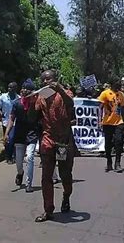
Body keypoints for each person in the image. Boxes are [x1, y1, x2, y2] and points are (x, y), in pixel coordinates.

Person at [31, 70, 76, 222]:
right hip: (47, 139)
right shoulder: (41, 96)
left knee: (65, 175)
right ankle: (48, 210)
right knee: (46, 176)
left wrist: (60, 90)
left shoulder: (65, 93)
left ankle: (66, 195)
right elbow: (32, 116)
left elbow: (70, 104)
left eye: (48, 79)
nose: (45, 82)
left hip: (63, 141)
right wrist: (28, 101)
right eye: (42, 79)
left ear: (55, 79)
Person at [4, 79, 39, 193]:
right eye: (23, 88)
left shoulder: (37, 104)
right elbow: (11, 118)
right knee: (19, 161)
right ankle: (20, 173)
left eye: (27, 88)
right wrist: (7, 133)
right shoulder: (16, 103)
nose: (24, 90)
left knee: (29, 158)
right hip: (19, 134)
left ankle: (29, 184)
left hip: (32, 134)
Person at [98, 78, 124, 173]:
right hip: (107, 122)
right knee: (108, 143)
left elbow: (123, 108)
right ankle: (109, 161)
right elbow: (100, 107)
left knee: (118, 141)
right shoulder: (105, 93)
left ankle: (117, 163)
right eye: (117, 84)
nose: (119, 86)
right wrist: (99, 120)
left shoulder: (121, 95)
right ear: (112, 85)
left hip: (118, 122)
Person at [0, 82, 20, 164]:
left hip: (15, 122)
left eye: (11, 87)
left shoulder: (19, 98)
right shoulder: (3, 97)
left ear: (15, 89)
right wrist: (0, 113)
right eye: (9, 87)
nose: (9, 89)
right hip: (5, 121)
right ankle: (8, 156)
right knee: (6, 139)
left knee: (12, 138)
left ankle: (11, 156)